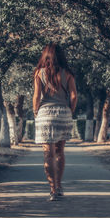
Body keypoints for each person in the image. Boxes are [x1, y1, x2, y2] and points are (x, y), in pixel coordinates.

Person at [32, 43, 77, 201]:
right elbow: (73, 96)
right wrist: (69, 111)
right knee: (59, 152)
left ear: (45, 56)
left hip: (45, 115)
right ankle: (59, 186)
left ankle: (52, 190)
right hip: (63, 113)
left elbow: (36, 97)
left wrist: (36, 112)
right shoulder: (68, 74)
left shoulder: (39, 73)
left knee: (48, 153)